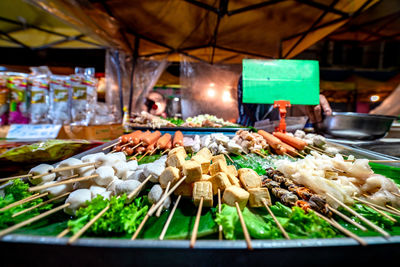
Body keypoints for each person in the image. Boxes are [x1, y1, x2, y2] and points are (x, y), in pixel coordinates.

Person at [237, 75, 332, 127]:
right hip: (246, 131)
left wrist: (308, 99)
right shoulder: (249, 77)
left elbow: (298, 100)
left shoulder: (289, 77)